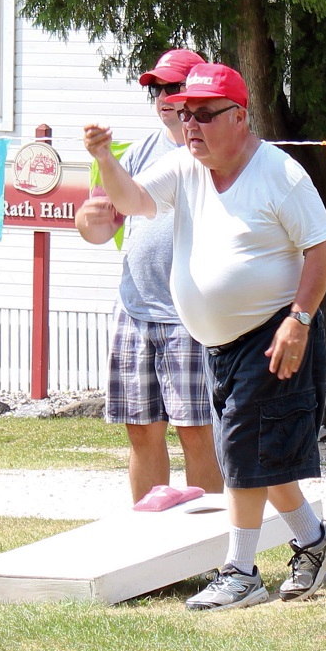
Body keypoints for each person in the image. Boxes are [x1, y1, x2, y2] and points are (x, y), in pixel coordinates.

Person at [85, 63, 326, 611]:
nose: (191, 125)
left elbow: (322, 248)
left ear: (239, 117)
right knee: (263, 456)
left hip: (273, 332)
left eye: (204, 114)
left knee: (241, 451)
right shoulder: (185, 165)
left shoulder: (280, 174)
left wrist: (298, 321)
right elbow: (132, 202)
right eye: (186, 114)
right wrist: (105, 160)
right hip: (220, 344)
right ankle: (315, 539)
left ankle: (240, 572)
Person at [76, 49, 224, 503]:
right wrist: (88, 218)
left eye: (173, 87)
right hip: (135, 308)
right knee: (141, 430)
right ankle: (149, 535)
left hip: (190, 315)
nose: (163, 97)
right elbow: (99, 230)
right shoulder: (140, 152)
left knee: (196, 431)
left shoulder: (215, 155)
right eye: (156, 89)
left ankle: (208, 538)